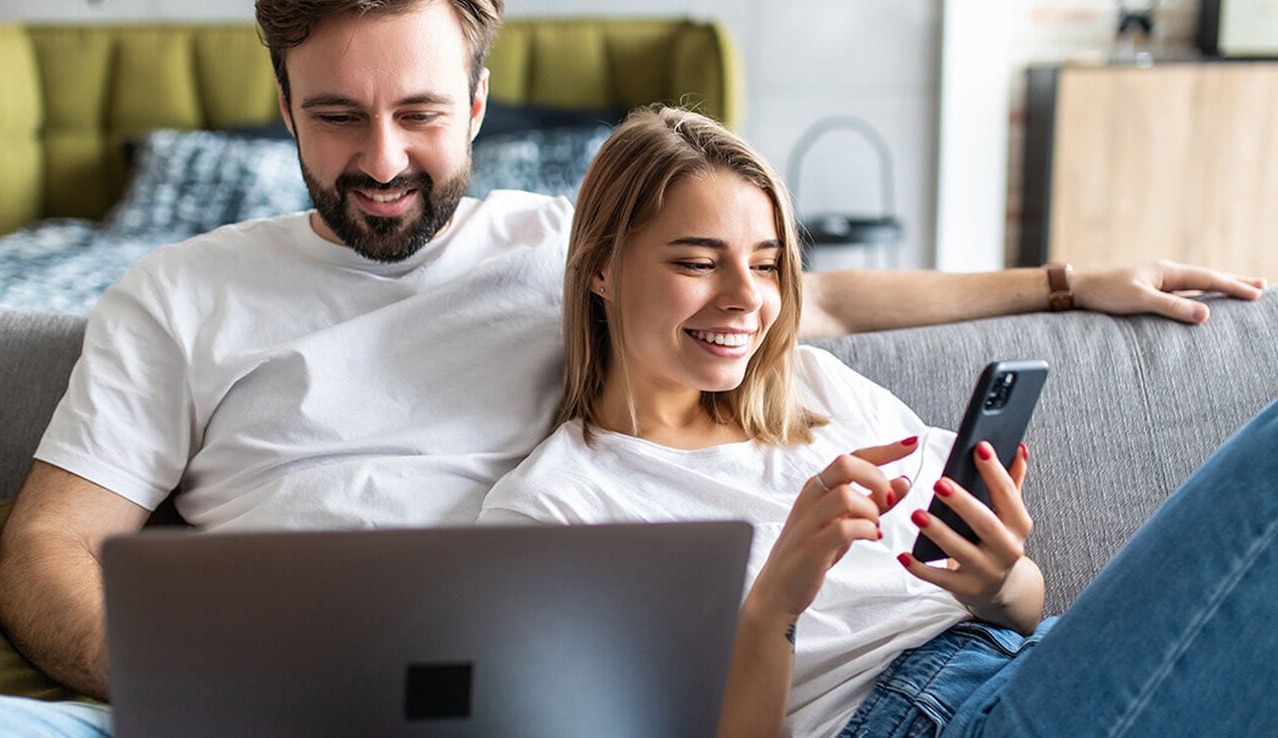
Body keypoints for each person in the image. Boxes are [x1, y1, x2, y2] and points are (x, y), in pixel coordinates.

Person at [0, 0, 1265, 735]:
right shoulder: (178, 297)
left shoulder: (561, 241)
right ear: (279, 103)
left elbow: (793, 299)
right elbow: (49, 551)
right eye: (333, 118)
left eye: (416, 113)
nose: (379, 160)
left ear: (478, 98)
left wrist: (1065, 281)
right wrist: (201, 698)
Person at [477, 106, 1278, 737]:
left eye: (766, 265)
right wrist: (773, 606)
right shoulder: (555, 512)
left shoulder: (815, 387)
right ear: (601, 268)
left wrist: (1000, 582)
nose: (746, 297)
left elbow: (1026, 606)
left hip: (1031, 659)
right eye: (696, 262)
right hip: (921, 719)